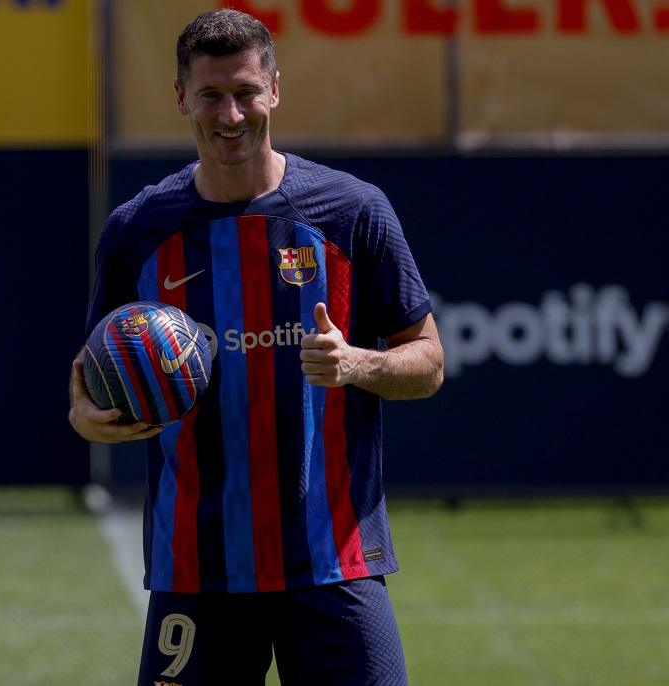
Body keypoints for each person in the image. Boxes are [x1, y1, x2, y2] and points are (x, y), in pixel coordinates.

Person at [68, 8, 444, 685]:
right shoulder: (137, 230)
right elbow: (92, 370)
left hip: (332, 561)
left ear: (274, 89)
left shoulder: (352, 211)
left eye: (245, 92)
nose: (231, 114)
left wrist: (356, 364)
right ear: (181, 96)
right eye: (210, 94)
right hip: (198, 568)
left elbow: (429, 361)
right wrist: (85, 415)